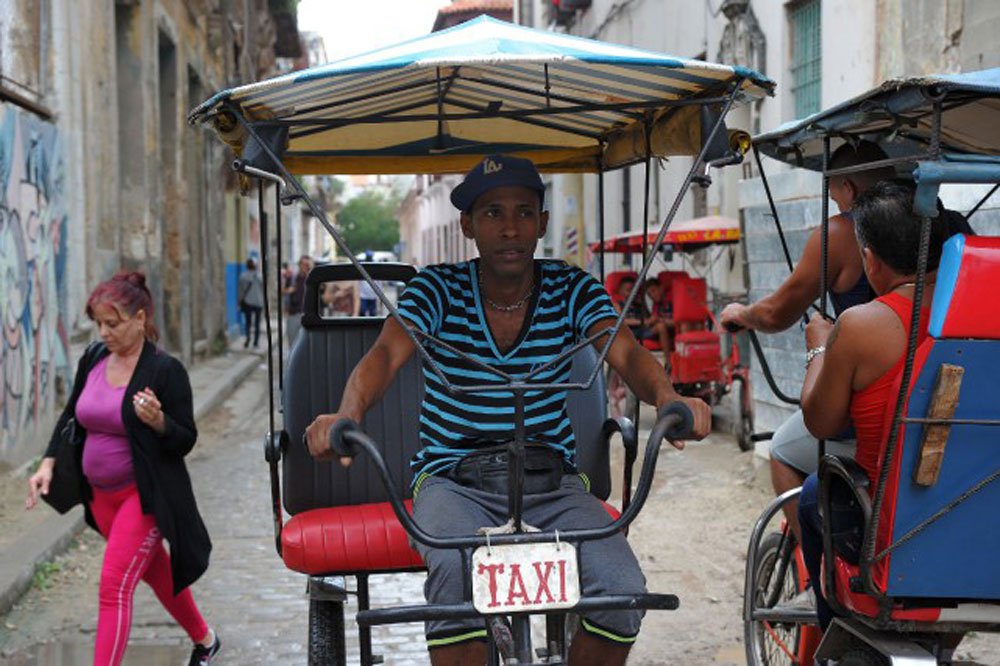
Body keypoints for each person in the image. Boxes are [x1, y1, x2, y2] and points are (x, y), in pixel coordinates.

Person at [304, 154, 712, 666]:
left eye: (524, 212)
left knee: (622, 587)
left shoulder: (571, 288)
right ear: (469, 225)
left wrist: (670, 398)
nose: (511, 227)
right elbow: (385, 355)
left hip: (551, 483)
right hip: (453, 481)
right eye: (493, 213)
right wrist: (347, 415)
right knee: (454, 576)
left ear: (542, 223)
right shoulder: (438, 289)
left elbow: (626, 351)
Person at [25, 271, 220, 666]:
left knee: (113, 587)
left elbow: (185, 439)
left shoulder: (165, 371)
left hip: (142, 498)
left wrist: (159, 422)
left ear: (140, 318)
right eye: (98, 324)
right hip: (100, 499)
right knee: (156, 573)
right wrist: (48, 463)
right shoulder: (94, 358)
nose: (103, 333)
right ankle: (206, 639)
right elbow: (71, 416)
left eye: (112, 324)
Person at [719, 141, 897, 547]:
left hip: (867, 405)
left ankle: (821, 566)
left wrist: (742, 314)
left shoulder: (843, 236)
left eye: (836, 199)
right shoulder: (939, 228)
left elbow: (777, 313)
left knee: (781, 449)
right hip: (929, 393)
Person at [797, 181, 946, 630]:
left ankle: (831, 628)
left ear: (872, 260)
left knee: (810, 495)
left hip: (891, 526)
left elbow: (821, 421)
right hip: (977, 517)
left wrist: (818, 349)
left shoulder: (861, 325)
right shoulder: (982, 309)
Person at [284, 254, 313, 346]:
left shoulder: (313, 279)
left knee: (308, 346)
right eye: (302, 264)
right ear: (299, 264)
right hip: (294, 314)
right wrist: (289, 290)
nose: (304, 266)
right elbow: (283, 291)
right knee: (292, 345)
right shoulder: (293, 278)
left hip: (308, 316)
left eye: (307, 264)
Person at [237, 257, 264, 348]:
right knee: (257, 323)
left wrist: (239, 301)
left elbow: (240, 291)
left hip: (247, 302)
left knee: (248, 322)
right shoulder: (260, 276)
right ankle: (256, 342)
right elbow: (263, 289)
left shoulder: (243, 276)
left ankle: (248, 339)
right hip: (258, 302)